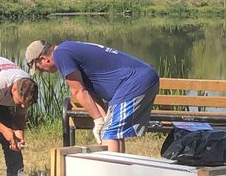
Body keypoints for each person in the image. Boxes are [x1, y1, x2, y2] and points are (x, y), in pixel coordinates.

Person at [25, 39, 159, 153]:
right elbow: (90, 93)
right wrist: (102, 119)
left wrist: (97, 121)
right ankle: (118, 175)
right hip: (141, 79)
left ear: (44, 59)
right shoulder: (67, 51)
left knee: (110, 132)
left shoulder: (61, 54)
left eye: (39, 67)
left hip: (135, 81)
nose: (42, 72)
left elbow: (78, 91)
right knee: (112, 130)